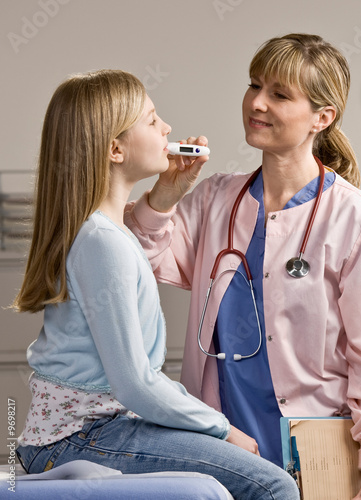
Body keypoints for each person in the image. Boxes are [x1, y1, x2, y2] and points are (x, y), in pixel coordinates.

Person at [125, 34, 361, 499]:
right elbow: (139, 262)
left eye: (279, 94)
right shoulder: (216, 198)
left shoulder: (358, 220)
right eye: (254, 85)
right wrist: (166, 193)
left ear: (322, 118)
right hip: (225, 442)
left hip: (325, 444)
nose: (257, 103)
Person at [13, 69, 300, 500]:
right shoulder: (102, 242)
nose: (166, 128)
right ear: (115, 149)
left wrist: (168, 194)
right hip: (79, 437)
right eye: (152, 120)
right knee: (272, 484)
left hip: (81, 431)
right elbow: (135, 384)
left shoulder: (104, 233)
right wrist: (222, 429)